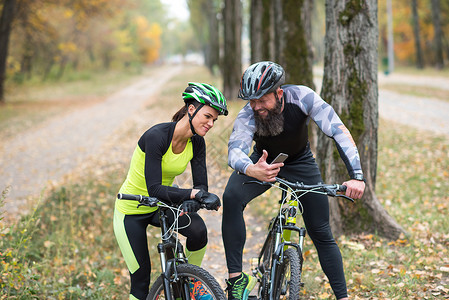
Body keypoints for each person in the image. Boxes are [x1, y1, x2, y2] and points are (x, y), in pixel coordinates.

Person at [222, 61, 365, 300]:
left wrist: (357, 177)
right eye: (251, 100)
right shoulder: (249, 112)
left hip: (300, 162)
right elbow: (234, 151)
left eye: (262, 99)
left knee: (321, 231)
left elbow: (338, 130)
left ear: (279, 93)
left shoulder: (302, 96)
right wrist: (251, 169)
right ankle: (236, 280)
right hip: (263, 163)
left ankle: (343, 296)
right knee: (231, 197)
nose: (256, 106)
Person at [113, 82, 228, 300]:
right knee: (141, 280)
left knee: (198, 230)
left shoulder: (197, 143)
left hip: (161, 205)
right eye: (208, 116)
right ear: (191, 109)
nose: (211, 123)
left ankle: (192, 280)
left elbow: (200, 186)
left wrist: (195, 199)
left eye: (215, 119)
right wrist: (193, 195)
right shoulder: (157, 136)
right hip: (131, 208)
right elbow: (154, 188)